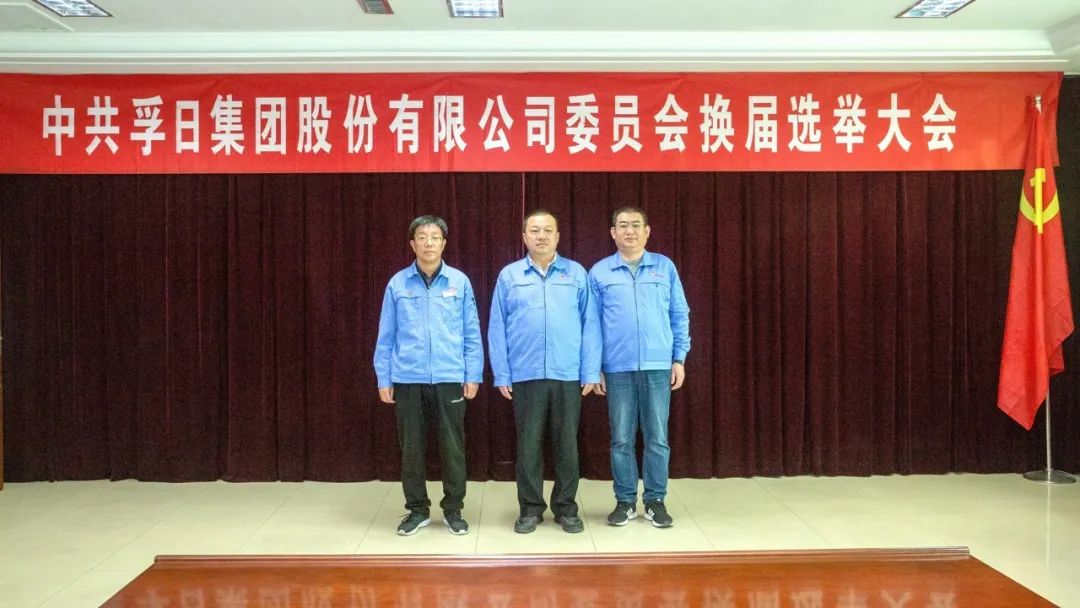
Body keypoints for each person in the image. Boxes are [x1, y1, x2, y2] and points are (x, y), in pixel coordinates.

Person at [488, 209, 601, 534]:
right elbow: (497, 326)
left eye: (547, 230)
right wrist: (502, 373)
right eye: (534, 230)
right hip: (525, 374)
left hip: (568, 374)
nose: (541, 236)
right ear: (524, 237)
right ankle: (530, 508)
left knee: (566, 445)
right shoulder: (510, 276)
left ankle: (566, 508)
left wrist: (590, 371)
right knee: (528, 445)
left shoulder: (576, 273)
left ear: (558, 236)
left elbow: (591, 324)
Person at [373, 215, 483, 536]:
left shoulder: (459, 282)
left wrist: (473, 373)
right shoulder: (398, 283)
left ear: (444, 243)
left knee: (453, 447)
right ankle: (417, 510)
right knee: (411, 448)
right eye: (422, 237)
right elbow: (386, 335)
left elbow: (471, 331)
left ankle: (453, 509)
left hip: (450, 376)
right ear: (413, 244)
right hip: (408, 378)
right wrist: (384, 377)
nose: (429, 243)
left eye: (435, 237)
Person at [589, 206, 690, 528]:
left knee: (657, 437)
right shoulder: (600, 272)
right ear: (613, 233)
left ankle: (655, 500)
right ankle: (625, 501)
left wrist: (679, 358)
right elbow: (591, 324)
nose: (629, 231)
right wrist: (595, 366)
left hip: (658, 366)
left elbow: (679, 314)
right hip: (616, 368)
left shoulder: (664, 267)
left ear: (647, 231)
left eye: (636, 225)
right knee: (621, 438)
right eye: (623, 225)